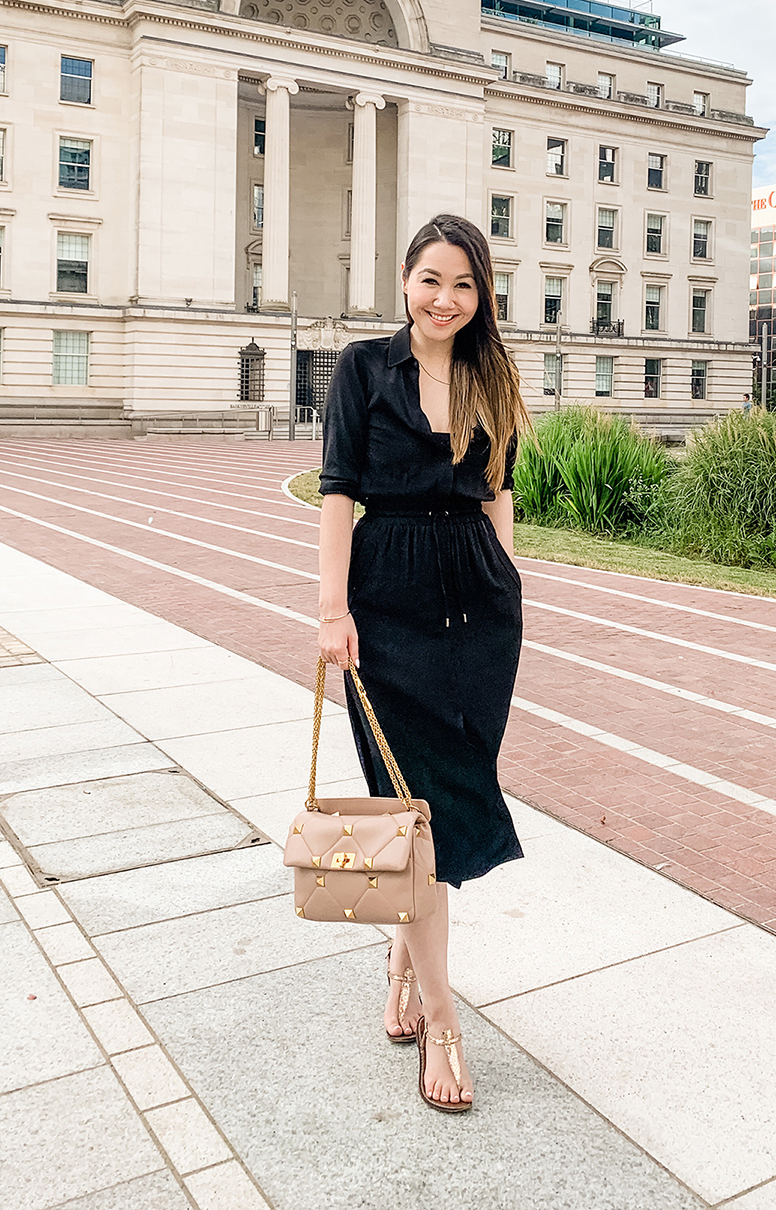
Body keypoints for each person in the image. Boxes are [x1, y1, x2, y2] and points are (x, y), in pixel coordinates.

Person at [316, 212, 531, 1113]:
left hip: (478, 612)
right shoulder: (364, 368)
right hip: (389, 607)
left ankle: (402, 970)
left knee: (436, 815)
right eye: (431, 279)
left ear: (482, 296)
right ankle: (443, 1022)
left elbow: (501, 490)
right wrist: (332, 608)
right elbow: (336, 489)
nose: (445, 299)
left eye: (464, 285)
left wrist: (508, 583)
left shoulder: (492, 374)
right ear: (404, 279)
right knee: (419, 818)